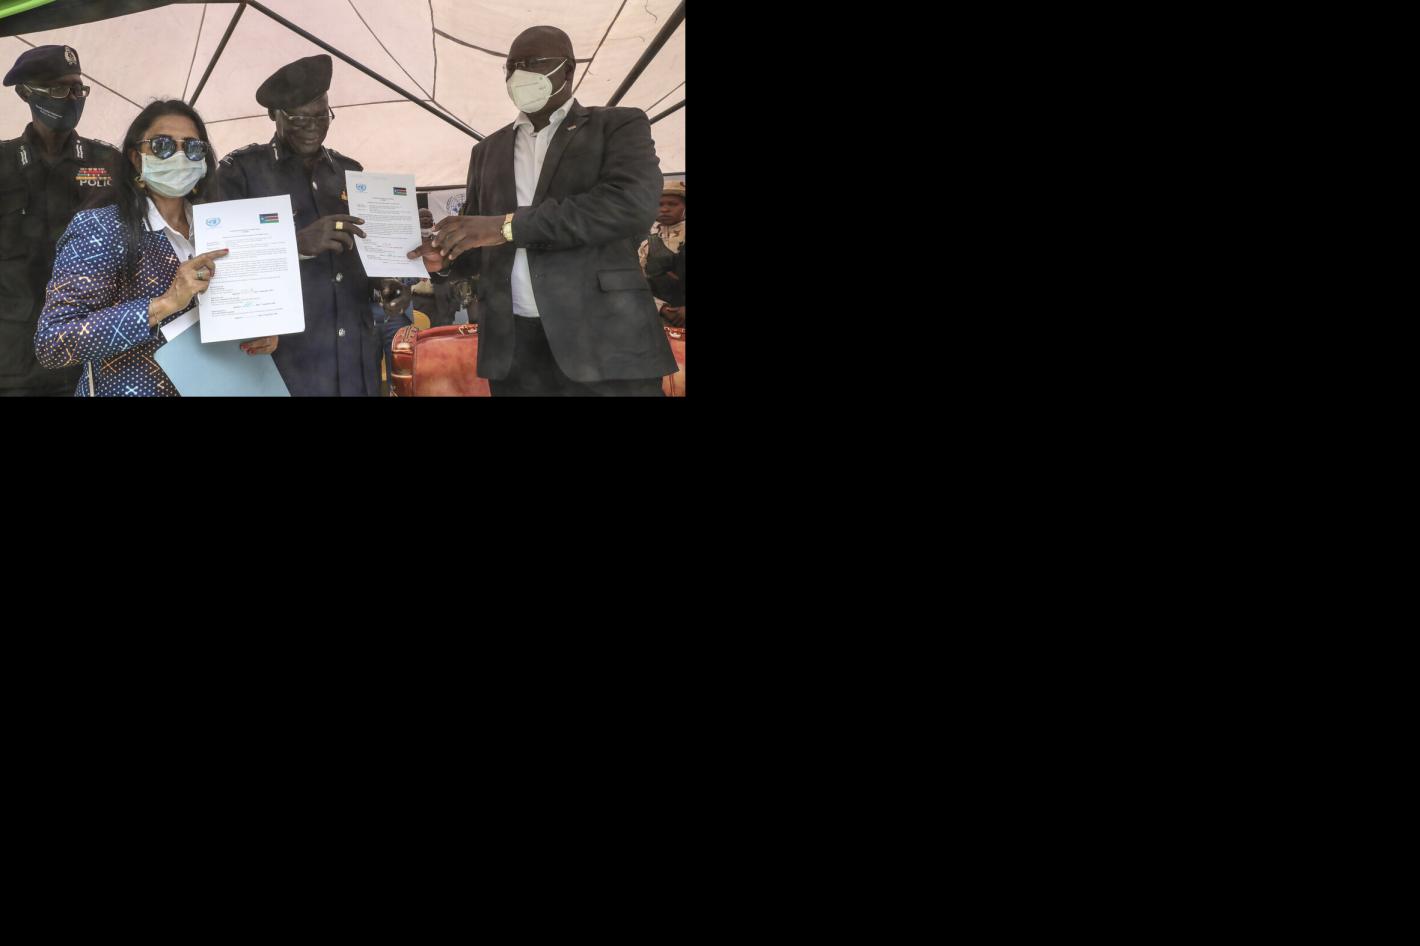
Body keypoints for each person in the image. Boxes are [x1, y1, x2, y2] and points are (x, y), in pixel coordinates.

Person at [409, 25, 676, 396]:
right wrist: (446, 258)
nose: (519, 74)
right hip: (515, 349)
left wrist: (507, 226)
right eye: (512, 66)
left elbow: (630, 204)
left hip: (604, 342)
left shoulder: (617, 125)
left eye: (533, 62)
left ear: (568, 70)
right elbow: (479, 238)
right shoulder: (487, 151)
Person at [33, 100, 277, 396]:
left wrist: (260, 331)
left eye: (192, 147)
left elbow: (237, 315)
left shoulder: (222, 228)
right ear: (136, 158)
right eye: (162, 145)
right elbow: (54, 343)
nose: (179, 156)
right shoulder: (102, 227)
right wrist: (165, 303)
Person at [213, 54, 410, 396]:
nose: (313, 127)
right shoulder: (240, 172)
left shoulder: (350, 172)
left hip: (354, 358)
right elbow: (222, 261)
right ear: (273, 114)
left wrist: (384, 283)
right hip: (286, 362)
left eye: (321, 116)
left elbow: (363, 251)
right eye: (300, 118)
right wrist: (297, 245)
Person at [1, 44, 122, 397]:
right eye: (58, 90)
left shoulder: (108, 163)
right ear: (25, 93)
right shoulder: (3, 163)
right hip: (12, 358)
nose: (71, 99)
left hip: (88, 350)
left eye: (78, 90)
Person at [638, 180, 684, 327]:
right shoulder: (645, 245)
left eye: (672, 204)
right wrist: (662, 308)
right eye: (659, 204)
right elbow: (637, 283)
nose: (664, 209)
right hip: (659, 320)